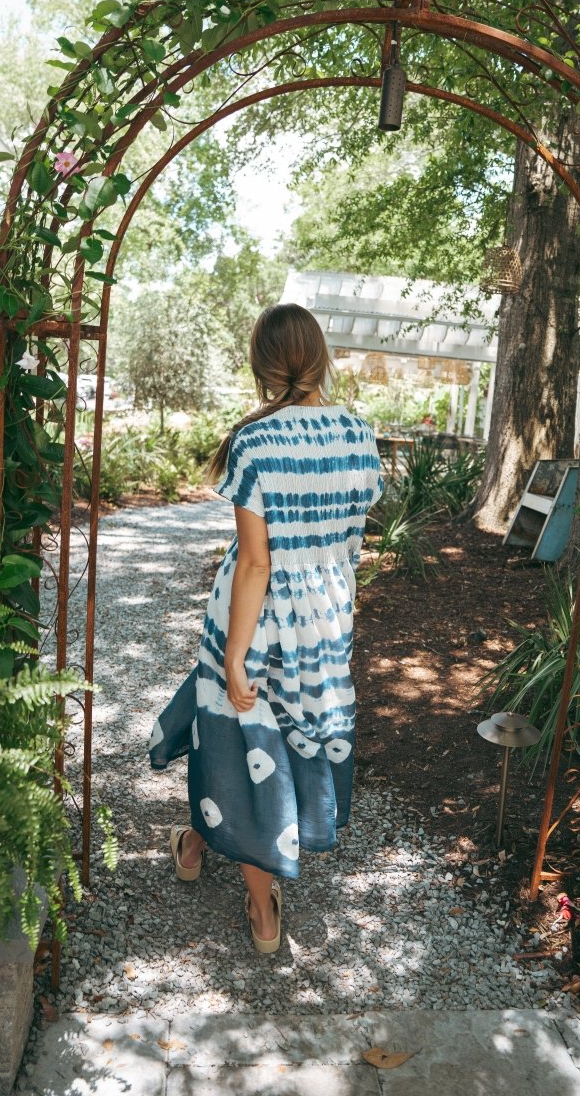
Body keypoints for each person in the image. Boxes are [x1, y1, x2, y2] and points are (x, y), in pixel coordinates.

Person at [148, 303, 384, 953]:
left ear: (260, 364)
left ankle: (262, 916)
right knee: (259, 745)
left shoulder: (255, 440)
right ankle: (196, 842)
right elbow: (347, 542)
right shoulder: (359, 436)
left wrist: (236, 656)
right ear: (321, 359)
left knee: (244, 752)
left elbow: (256, 562)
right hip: (325, 627)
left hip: (256, 623)